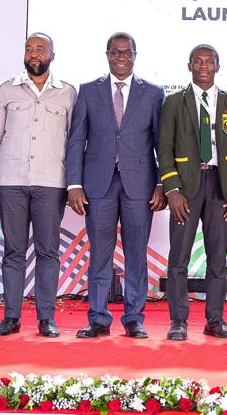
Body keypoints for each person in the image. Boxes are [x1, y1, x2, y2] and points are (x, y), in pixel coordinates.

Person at [65, 32, 165, 339]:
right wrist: (74, 184)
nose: (121, 57)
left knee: (136, 253)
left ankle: (134, 317)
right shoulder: (88, 91)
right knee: (100, 254)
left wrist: (162, 184)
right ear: (106, 55)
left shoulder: (153, 93)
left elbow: (162, 143)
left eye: (126, 52)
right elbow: (77, 139)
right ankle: (98, 318)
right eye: (115, 52)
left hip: (140, 185)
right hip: (98, 184)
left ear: (136, 55)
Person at [0, 33, 77, 338]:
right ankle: (11, 316)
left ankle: (46, 317)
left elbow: (75, 143)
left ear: (52, 54)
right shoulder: (6, 90)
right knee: (13, 251)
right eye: (29, 48)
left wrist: (75, 184)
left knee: (48, 252)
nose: (33, 53)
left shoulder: (68, 93)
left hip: (51, 184)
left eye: (40, 49)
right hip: (10, 182)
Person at [159, 44, 227, 340]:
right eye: (197, 61)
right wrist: (172, 189)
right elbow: (165, 148)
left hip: (220, 188)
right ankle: (179, 322)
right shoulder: (174, 101)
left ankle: (215, 320)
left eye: (209, 61)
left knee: (218, 259)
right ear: (189, 66)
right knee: (179, 259)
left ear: (217, 67)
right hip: (186, 188)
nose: (203, 66)